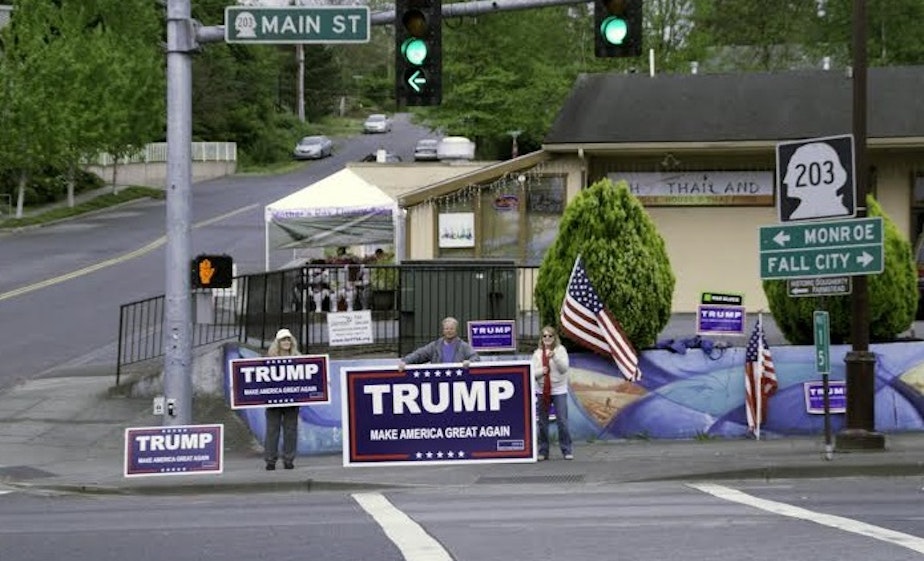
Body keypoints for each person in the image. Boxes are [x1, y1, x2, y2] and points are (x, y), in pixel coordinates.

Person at [532, 326, 572, 461]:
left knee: (562, 421)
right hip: (542, 390)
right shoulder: (537, 353)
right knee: (542, 422)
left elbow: (563, 369)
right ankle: (543, 451)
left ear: (555, 338)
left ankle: (566, 450)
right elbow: (532, 372)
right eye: (544, 336)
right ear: (541, 339)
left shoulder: (561, 351)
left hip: (559, 390)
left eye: (550, 336)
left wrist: (554, 357)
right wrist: (540, 371)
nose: (547, 338)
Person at [263, 328, 301, 471]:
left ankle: (288, 459)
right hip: (273, 401)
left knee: (290, 430)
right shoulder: (268, 359)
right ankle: (270, 460)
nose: (286, 342)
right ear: (277, 342)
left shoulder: (298, 358)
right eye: (283, 340)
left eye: (288, 339)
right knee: (272, 430)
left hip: (292, 400)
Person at [398, 316, 480, 369]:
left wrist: (469, 362)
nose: (449, 331)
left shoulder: (463, 346)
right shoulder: (435, 346)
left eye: (452, 329)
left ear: (456, 330)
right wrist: (405, 361)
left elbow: (475, 357)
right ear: (443, 330)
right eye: (447, 329)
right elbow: (419, 355)